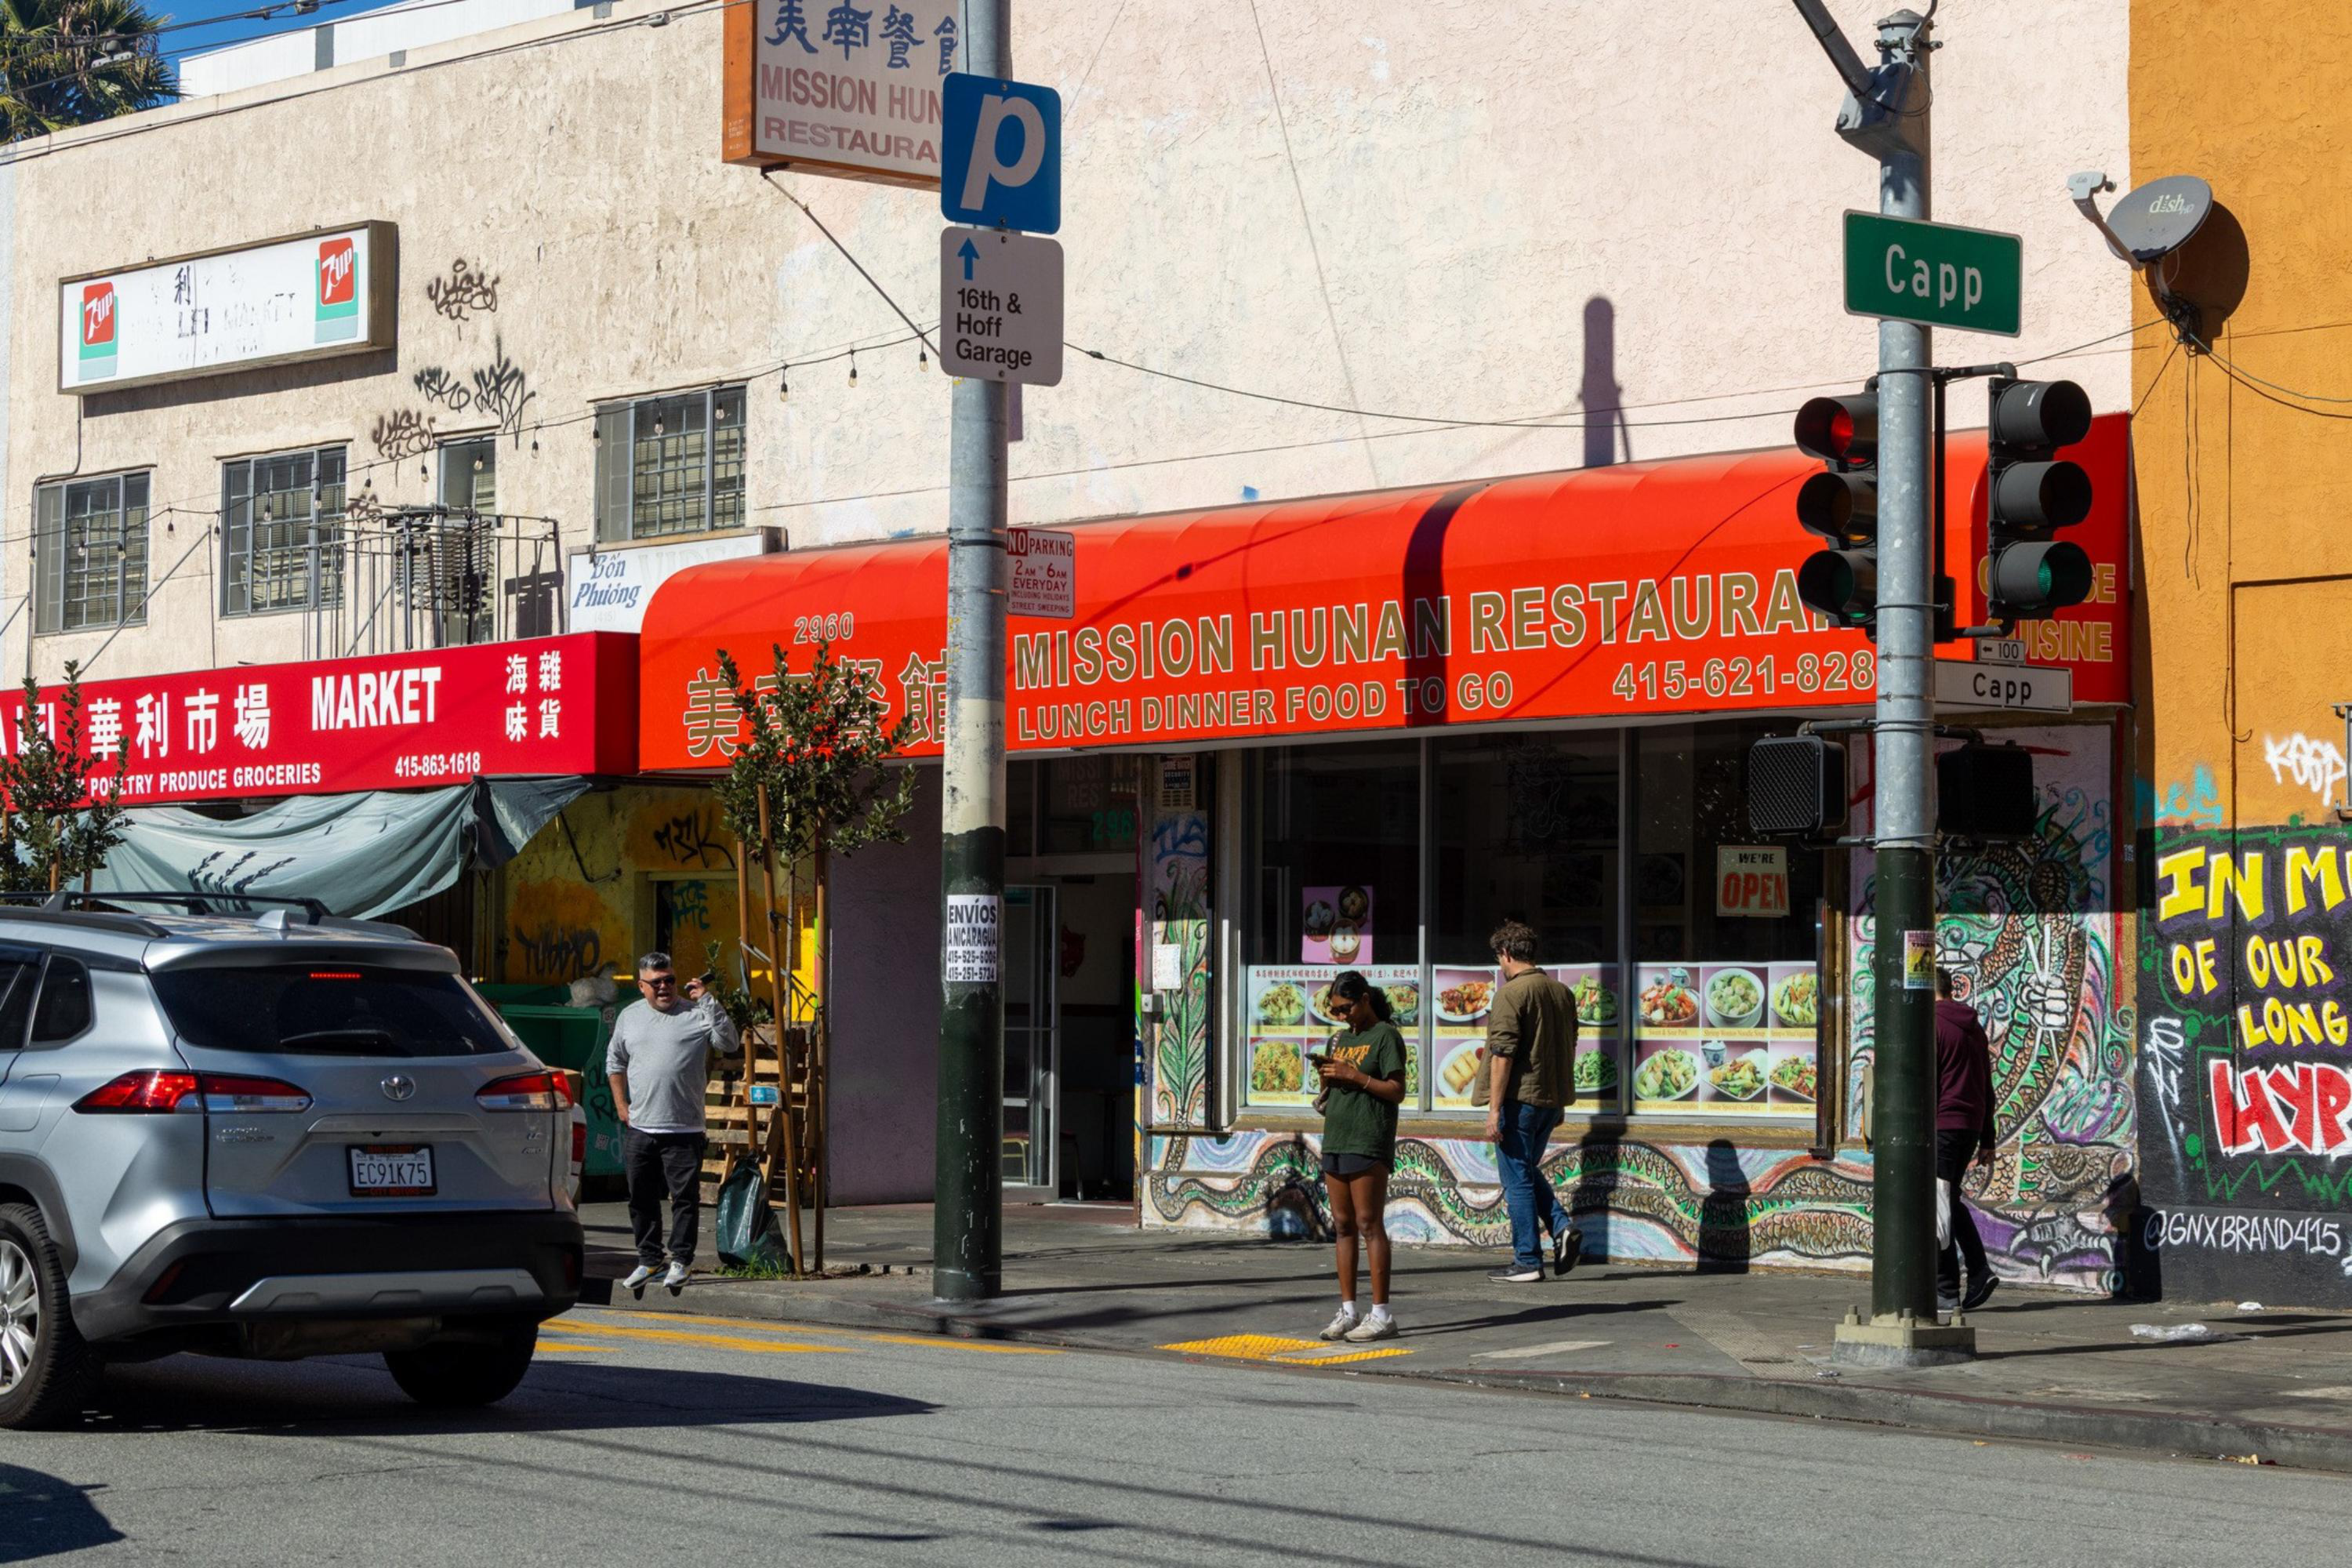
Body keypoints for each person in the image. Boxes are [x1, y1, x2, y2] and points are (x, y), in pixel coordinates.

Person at [606, 951, 742, 1293]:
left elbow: (729, 1043)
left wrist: (709, 1001)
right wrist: (622, 1105)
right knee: (641, 1198)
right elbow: (614, 1063)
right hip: (641, 1127)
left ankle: (681, 1261)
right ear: (642, 986)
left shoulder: (696, 1013)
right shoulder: (630, 1017)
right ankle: (649, 1259)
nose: (665, 987)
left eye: (670, 980)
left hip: (684, 1128)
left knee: (684, 1199)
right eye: (657, 983)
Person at [1478, 919, 1585, 1283]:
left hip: (1518, 1100)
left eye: (1499, 959)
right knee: (1524, 1170)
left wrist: (1494, 1110)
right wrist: (1561, 1102)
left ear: (1506, 954)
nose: (1500, 966)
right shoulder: (1561, 992)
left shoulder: (1511, 993)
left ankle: (1527, 1260)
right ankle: (1561, 1227)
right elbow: (1569, 1047)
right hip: (1549, 1100)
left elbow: (1503, 1054)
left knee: (1517, 1181)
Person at [1313, 970, 1409, 1343]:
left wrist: (1354, 1076)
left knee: (1370, 1223)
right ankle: (1349, 1311)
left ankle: (1382, 1313)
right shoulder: (1340, 1038)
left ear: (1365, 999)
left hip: (1368, 1138)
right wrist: (1327, 1079)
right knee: (1342, 1225)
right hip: (1336, 1136)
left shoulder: (1386, 1036)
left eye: (1346, 1008)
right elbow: (1335, 1089)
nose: (1342, 1016)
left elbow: (1397, 1090)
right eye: (1336, 1010)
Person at [1934, 967, 1999, 1314]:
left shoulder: (1931, 1024)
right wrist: (1987, 1138)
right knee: (1950, 1199)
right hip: (1969, 1127)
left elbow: (1926, 1082)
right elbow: (1985, 1086)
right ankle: (1978, 1270)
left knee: (1938, 1206)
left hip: (1940, 1126)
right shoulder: (1974, 1028)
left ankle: (1945, 1291)